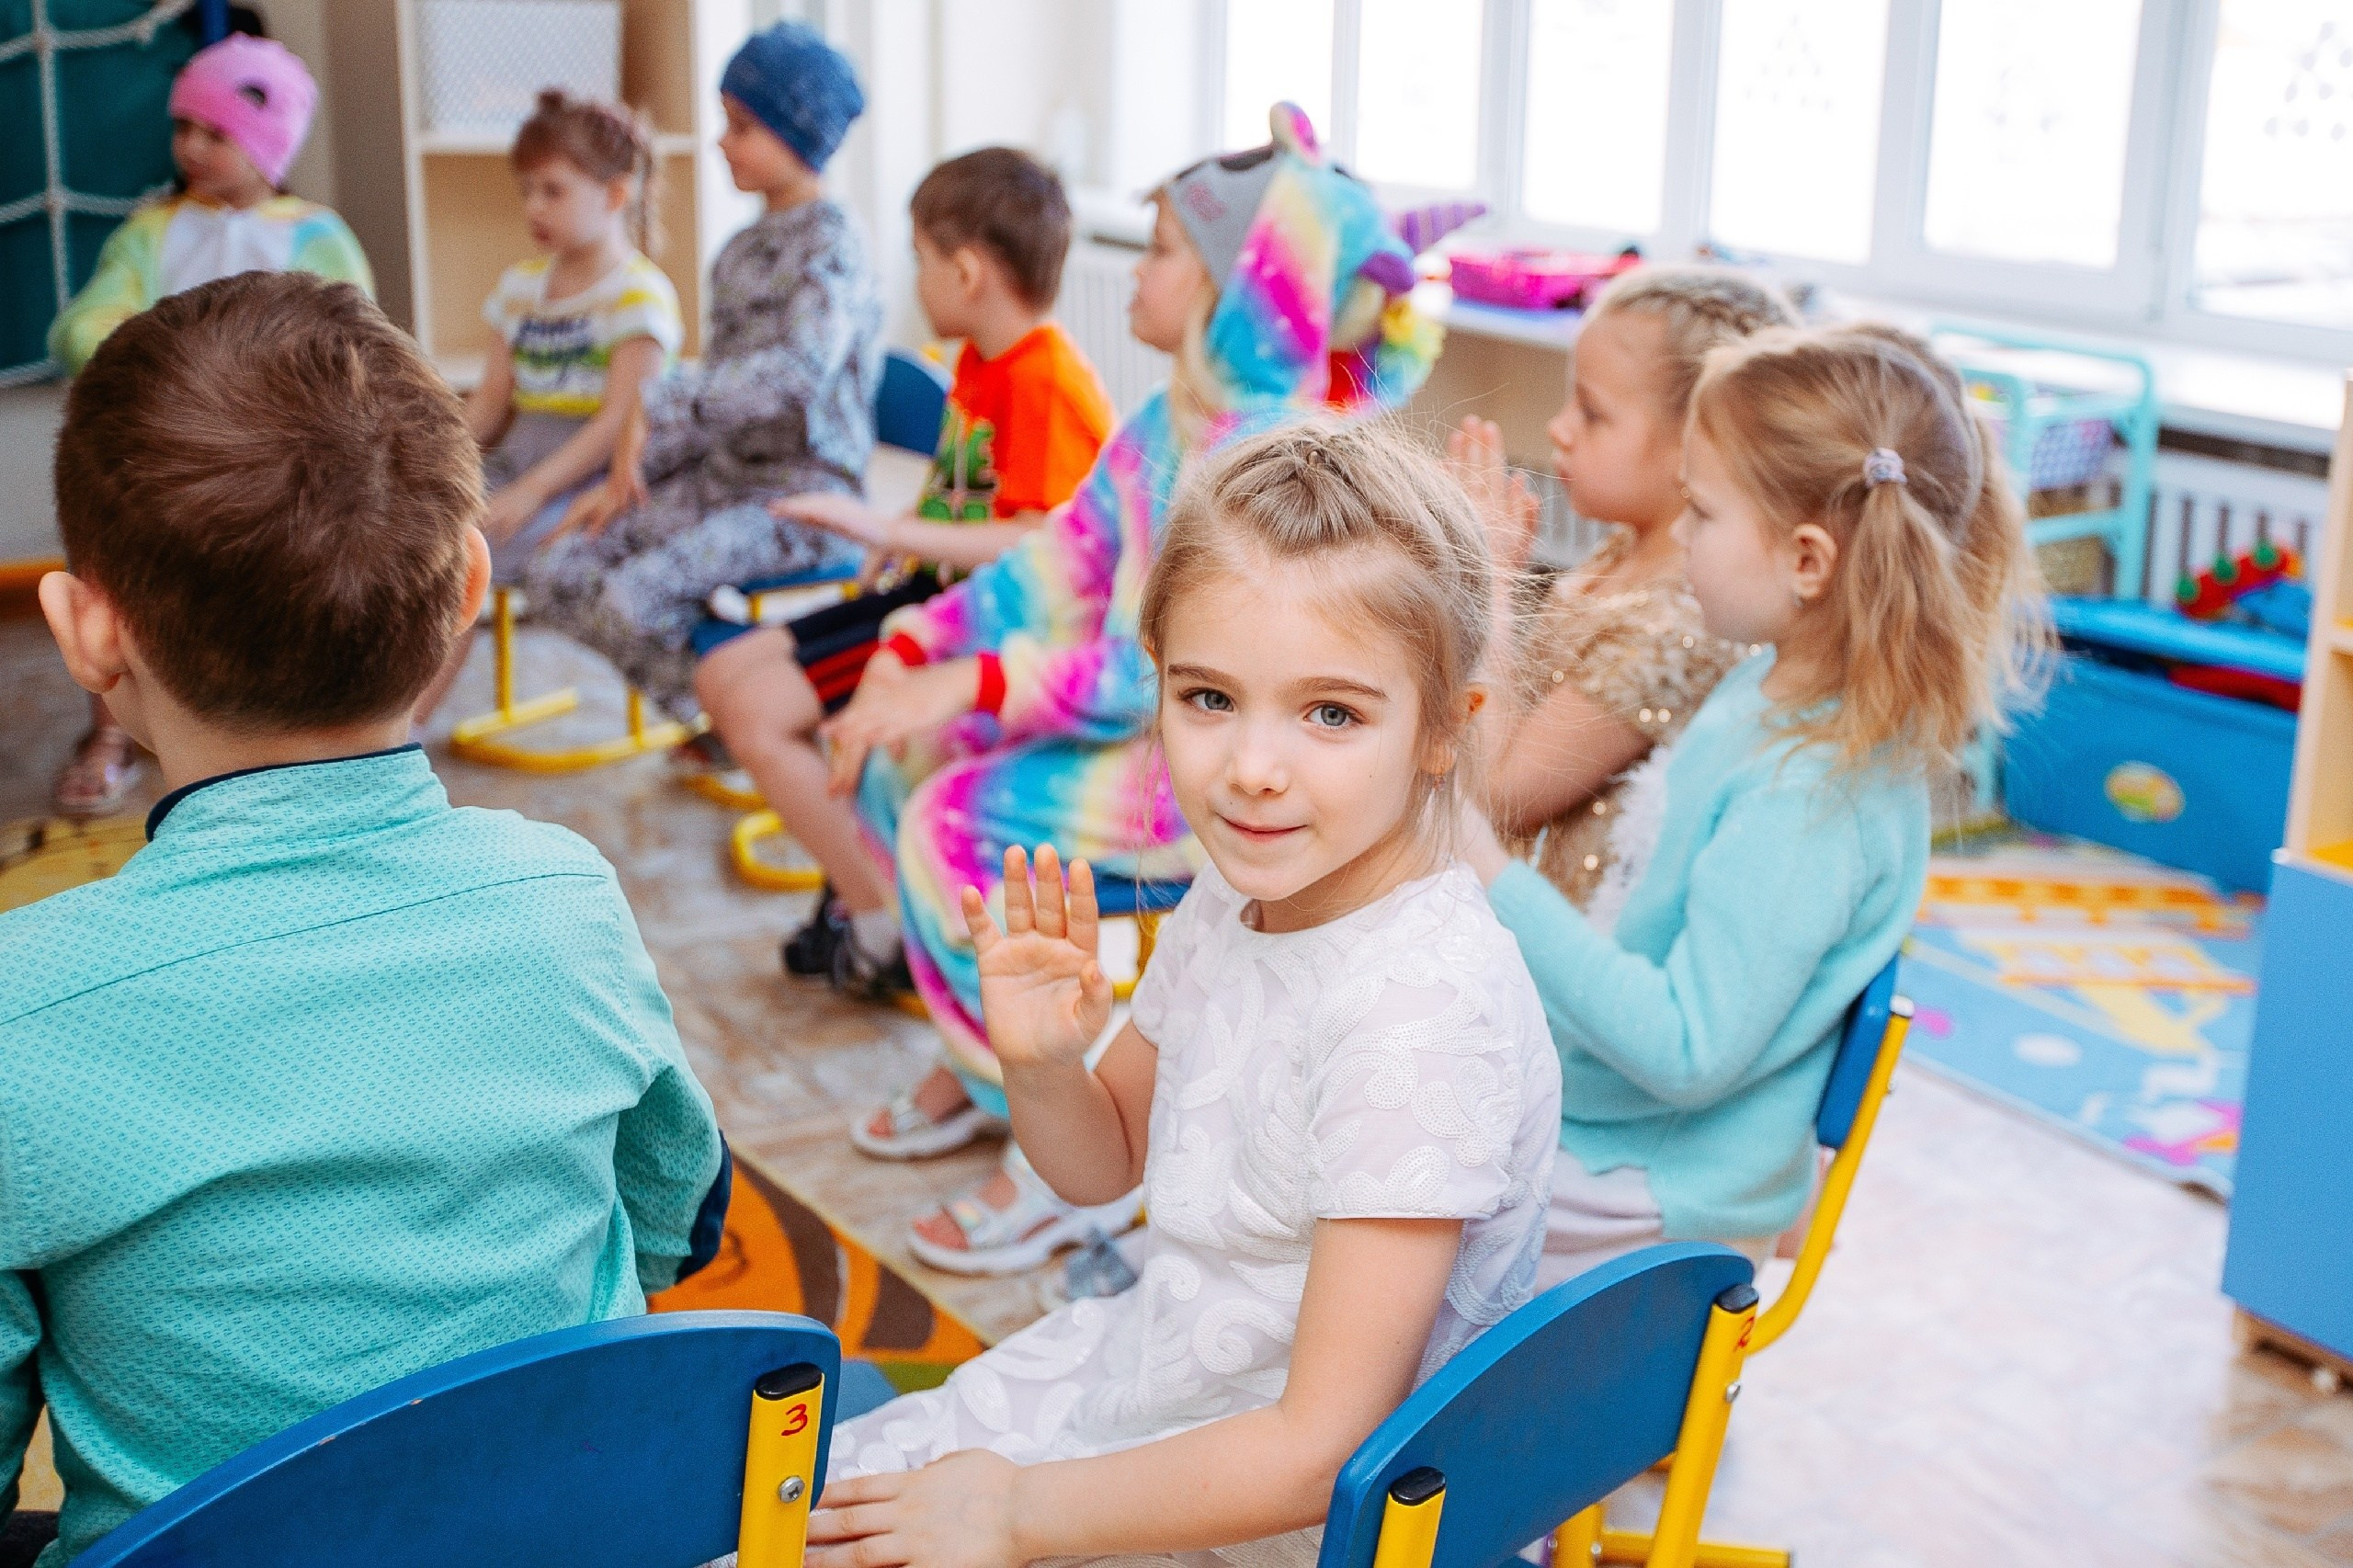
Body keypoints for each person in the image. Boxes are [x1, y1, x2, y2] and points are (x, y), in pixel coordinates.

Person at [1, 274, 729, 1568]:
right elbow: (674, 1211)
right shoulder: (566, 899)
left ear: (85, 630)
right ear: (468, 593)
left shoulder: (22, 1008)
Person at [807, 419, 1560, 1568]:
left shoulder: (1418, 1013)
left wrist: (1009, 1515)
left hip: (1299, 1521)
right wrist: (1044, 1061)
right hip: (1162, 1392)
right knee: (800, 1521)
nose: (1251, 766)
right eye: (1209, 698)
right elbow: (1102, 1161)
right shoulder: (1236, 892)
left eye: (1331, 713)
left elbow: (1328, 1445)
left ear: (1443, 732)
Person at [829, 105, 1442, 1275]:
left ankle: (1074, 1156)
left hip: (1203, 765)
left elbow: (1165, 676)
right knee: (897, 756)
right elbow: (1056, 568)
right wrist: (922, 642)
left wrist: (977, 677)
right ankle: (992, 1065)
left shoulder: (1258, 455)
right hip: (1142, 733)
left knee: (945, 821)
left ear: (1233, 291)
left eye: (1161, 248)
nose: (1137, 267)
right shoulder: (1168, 420)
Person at [1461, 322, 2045, 1288]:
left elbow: (1687, 1050)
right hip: (1620, 1129)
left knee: (1362, 1168)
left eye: (1701, 511)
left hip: (1651, 1190)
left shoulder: (1811, 792)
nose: (1680, 536)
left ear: (1807, 560)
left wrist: (1491, 875)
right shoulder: (1767, 693)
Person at [694, 146, 1115, 999]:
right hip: (928, 596)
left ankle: (884, 915)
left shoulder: (1046, 384)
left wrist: (887, 524)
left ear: (966, 271)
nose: (913, 276)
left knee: (753, 709)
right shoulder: (985, 362)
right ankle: (868, 883)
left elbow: (1039, 545)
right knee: (726, 670)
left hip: (977, 630)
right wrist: (905, 533)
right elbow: (965, 492)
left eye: (919, 257)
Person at [45, 33, 371, 819]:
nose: (190, 146)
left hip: (274, 460)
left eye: (216, 133)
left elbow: (358, 339)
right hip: (157, 458)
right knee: (115, 584)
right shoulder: (151, 234)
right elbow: (83, 321)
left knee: (287, 587)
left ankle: (292, 730)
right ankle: (113, 734)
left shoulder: (315, 236)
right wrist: (123, 342)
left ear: (269, 144)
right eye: (183, 126)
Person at [524, 20, 881, 730]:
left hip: (803, 499)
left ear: (800, 135)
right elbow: (715, 397)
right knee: (555, 571)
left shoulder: (833, 245)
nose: (722, 141)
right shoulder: (740, 249)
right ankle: (725, 710)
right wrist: (629, 479)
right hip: (723, 479)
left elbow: (794, 375)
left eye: (742, 126)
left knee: (631, 598)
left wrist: (656, 404)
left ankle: (753, 719)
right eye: (724, 122)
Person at [1449, 267, 1796, 928]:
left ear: (1695, 444)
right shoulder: (1620, 554)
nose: (1559, 429)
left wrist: (1488, 577)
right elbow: (1518, 704)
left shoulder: (1682, 620)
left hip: (1565, 952)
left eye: (1593, 412)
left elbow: (1501, 795)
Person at [412, 88, 683, 726]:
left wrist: (531, 493)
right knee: (408, 532)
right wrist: (423, 461)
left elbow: (616, 423)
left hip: (590, 478)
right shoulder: (518, 289)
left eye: (552, 190)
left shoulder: (640, 296)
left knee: (459, 556)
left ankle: (404, 733)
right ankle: (367, 720)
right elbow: (488, 406)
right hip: (519, 458)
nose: (533, 205)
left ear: (616, 195)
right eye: (526, 188)